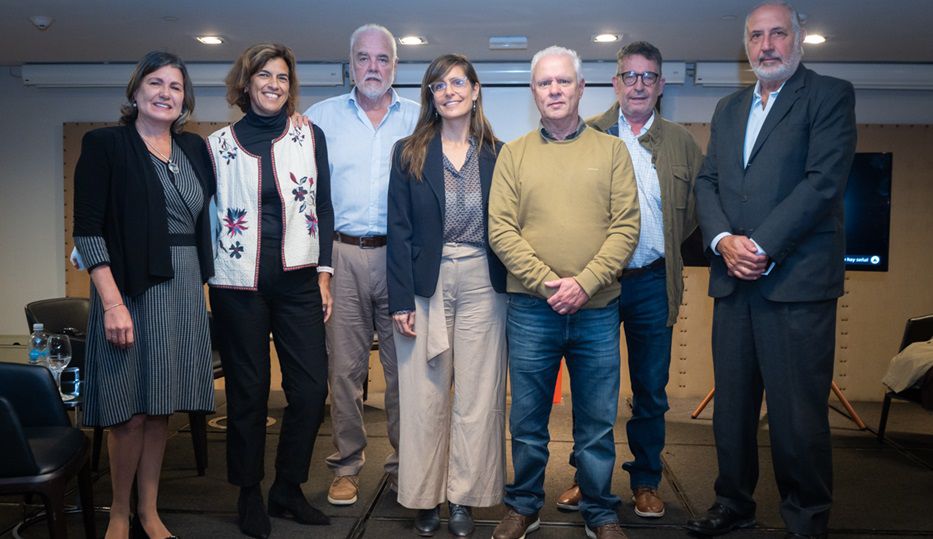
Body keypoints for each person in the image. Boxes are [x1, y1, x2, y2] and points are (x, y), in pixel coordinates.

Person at [686, 2, 856, 537]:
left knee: (797, 418)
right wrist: (722, 240)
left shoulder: (829, 96)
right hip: (734, 284)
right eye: (756, 35)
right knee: (732, 413)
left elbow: (823, 182)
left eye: (777, 33)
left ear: (798, 39)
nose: (767, 45)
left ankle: (805, 518)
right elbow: (708, 183)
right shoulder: (729, 108)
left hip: (796, 286)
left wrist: (758, 245)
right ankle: (732, 504)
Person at [488, 46, 640, 539]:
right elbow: (501, 231)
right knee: (527, 422)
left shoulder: (612, 151)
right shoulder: (514, 154)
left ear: (580, 88)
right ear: (534, 92)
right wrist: (550, 284)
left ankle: (600, 512)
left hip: (597, 310)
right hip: (532, 310)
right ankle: (524, 506)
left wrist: (585, 284)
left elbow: (625, 228)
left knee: (596, 425)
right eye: (544, 83)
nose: (553, 90)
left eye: (562, 82)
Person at [556, 41, 704, 519]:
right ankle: (587, 478)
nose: (638, 85)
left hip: (653, 283)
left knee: (651, 390)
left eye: (648, 77)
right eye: (630, 76)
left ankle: (645, 481)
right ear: (615, 83)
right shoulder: (589, 133)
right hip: (597, 283)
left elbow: (696, 217)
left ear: (660, 85)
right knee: (592, 387)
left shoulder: (682, 143)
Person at [73, 50, 214, 539]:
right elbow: (88, 231)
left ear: (185, 100)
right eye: (155, 83)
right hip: (128, 289)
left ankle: (150, 511)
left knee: (160, 408)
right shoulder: (105, 144)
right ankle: (117, 511)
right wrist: (111, 302)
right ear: (135, 92)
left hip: (182, 287)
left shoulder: (195, 150)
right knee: (127, 413)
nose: (165, 93)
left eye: (175, 87)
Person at [208, 42, 334, 539]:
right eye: (264, 75)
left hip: (299, 280)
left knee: (309, 390)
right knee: (249, 392)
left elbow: (323, 205)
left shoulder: (309, 135)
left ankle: (287, 487)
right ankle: (248, 494)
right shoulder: (216, 145)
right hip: (238, 286)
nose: (274, 84)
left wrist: (324, 275)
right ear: (247, 82)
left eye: (282, 77)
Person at [387, 54, 508, 537]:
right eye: (439, 85)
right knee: (423, 395)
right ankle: (423, 498)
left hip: (484, 279)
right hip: (423, 284)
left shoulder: (499, 153)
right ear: (430, 96)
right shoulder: (408, 151)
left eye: (458, 82)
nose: (449, 91)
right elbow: (397, 230)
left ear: (476, 90)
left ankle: (464, 499)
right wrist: (399, 299)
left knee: (478, 397)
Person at [305, 23, 419, 506]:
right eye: (363, 58)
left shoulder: (419, 119)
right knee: (345, 373)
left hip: (400, 259)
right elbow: (303, 197)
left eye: (383, 59)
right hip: (341, 255)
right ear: (349, 63)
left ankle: (403, 467)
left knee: (405, 374)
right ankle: (346, 466)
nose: (373, 67)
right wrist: (318, 269)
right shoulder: (318, 118)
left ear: (395, 65)